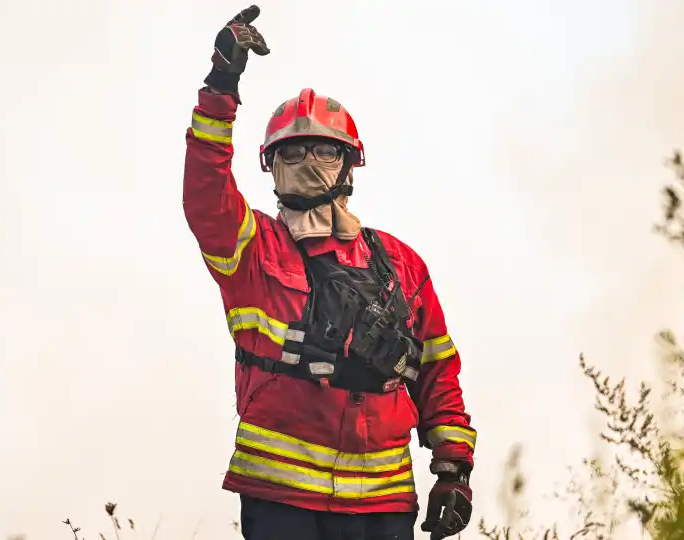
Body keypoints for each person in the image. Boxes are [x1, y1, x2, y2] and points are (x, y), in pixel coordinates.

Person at [183, 6, 477, 540]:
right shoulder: (251, 248)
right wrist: (221, 84)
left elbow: (438, 368)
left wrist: (453, 469)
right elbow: (205, 189)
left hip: (384, 502)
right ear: (269, 165)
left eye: (323, 149)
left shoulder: (401, 264)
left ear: (350, 162)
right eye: (291, 151)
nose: (307, 160)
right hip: (282, 500)